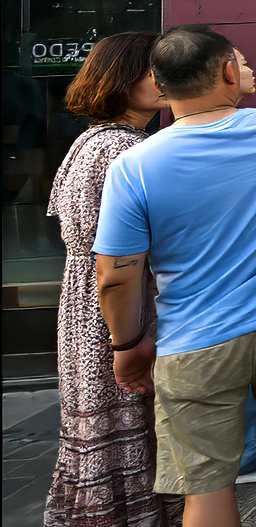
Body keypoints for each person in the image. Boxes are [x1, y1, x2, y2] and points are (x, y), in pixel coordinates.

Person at [93, 25, 256, 527]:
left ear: (161, 83)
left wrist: (127, 343)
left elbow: (115, 274)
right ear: (226, 73)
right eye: (239, 61)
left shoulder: (134, 167)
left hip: (195, 338)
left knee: (206, 484)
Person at [44, 33, 184, 527]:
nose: (165, 81)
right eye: (153, 71)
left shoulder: (92, 140)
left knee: (107, 432)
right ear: (121, 79)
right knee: (131, 424)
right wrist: (128, 338)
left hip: (87, 310)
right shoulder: (123, 149)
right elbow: (116, 263)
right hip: (117, 311)